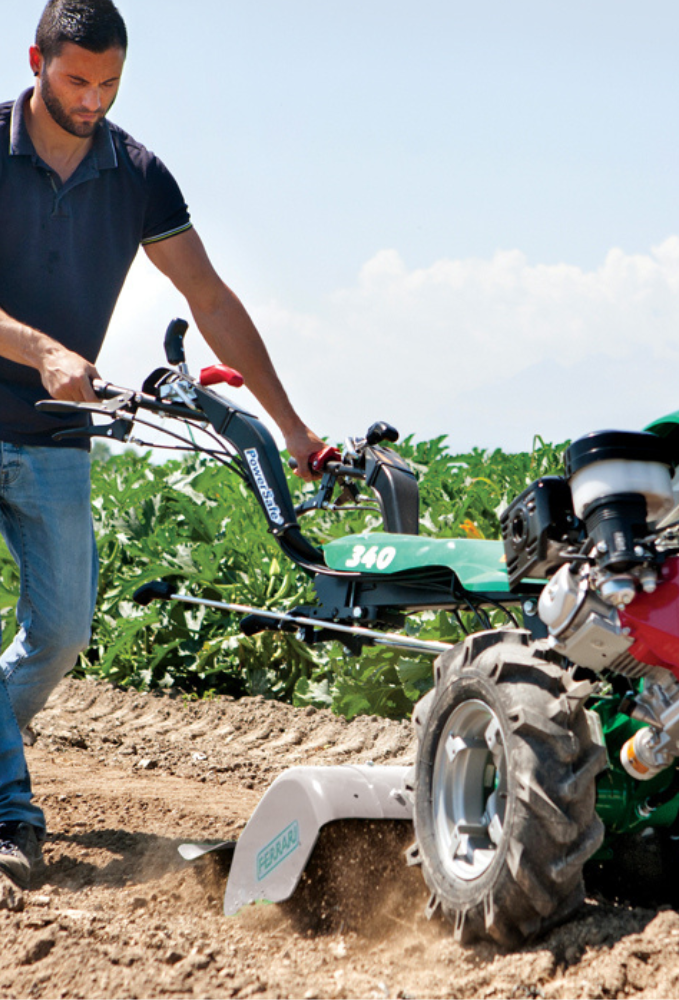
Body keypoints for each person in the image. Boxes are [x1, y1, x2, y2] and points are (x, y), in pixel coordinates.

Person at [0, 0, 325, 896]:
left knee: (61, 636)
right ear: (35, 60)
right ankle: (10, 816)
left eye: (108, 84)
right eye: (76, 81)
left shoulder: (138, 174)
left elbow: (212, 299)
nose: (92, 100)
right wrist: (41, 350)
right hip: (18, 393)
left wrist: (290, 424)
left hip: (57, 435)